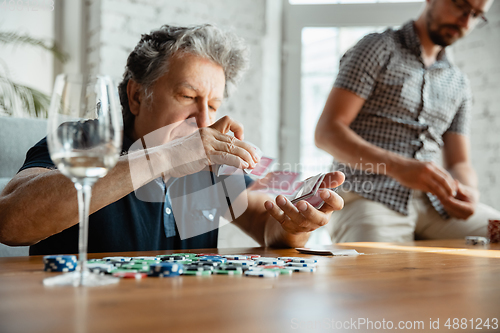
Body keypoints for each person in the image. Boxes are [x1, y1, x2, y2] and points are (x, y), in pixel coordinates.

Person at [0, 25, 345, 255]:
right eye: (186, 96)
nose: (204, 120)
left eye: (212, 105)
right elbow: (11, 223)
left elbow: (267, 226)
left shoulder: (208, 162)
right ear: (137, 96)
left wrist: (296, 225)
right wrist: (165, 155)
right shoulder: (84, 140)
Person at [315, 0, 499, 243]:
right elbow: (327, 132)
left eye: (476, 15)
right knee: (376, 274)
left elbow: (460, 162)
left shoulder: (459, 82)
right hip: (367, 196)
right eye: (460, 5)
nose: (465, 21)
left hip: (434, 205)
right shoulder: (376, 48)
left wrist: (469, 192)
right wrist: (399, 167)